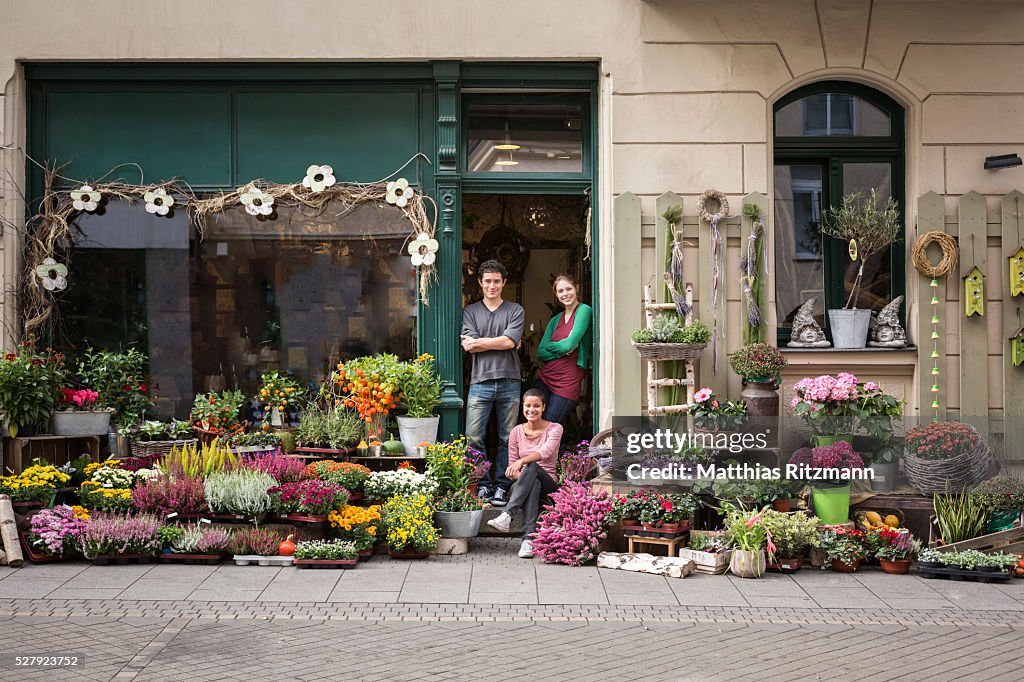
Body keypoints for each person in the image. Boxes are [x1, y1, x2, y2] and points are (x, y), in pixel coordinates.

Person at [462, 259, 525, 507]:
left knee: (506, 438)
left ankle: (501, 486)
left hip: (510, 381)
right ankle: (484, 485)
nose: (492, 285)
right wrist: (501, 340)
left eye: (496, 281)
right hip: (480, 382)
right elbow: (469, 346)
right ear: (480, 283)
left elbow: (509, 342)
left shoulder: (515, 310)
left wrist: (480, 343)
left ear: (504, 283)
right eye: (487, 281)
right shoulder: (470, 311)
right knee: (473, 437)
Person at [486, 389, 562, 558]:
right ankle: (528, 541)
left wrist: (522, 462)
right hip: (525, 484)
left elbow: (545, 452)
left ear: (544, 407)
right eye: (527, 405)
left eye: (536, 406)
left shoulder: (555, 429)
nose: (531, 410)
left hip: (549, 487)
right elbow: (511, 472)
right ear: (523, 407)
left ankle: (507, 514)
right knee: (532, 481)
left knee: (532, 466)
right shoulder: (516, 432)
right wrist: (526, 474)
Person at [535, 273, 593, 426]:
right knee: (536, 423)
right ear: (556, 294)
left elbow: (568, 345)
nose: (565, 294)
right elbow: (541, 352)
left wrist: (560, 347)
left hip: (568, 379)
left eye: (569, 289)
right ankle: (553, 451)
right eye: (560, 291)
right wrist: (563, 348)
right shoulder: (555, 319)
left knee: (550, 424)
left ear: (577, 288)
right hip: (546, 378)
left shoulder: (584, 311)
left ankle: (556, 451)